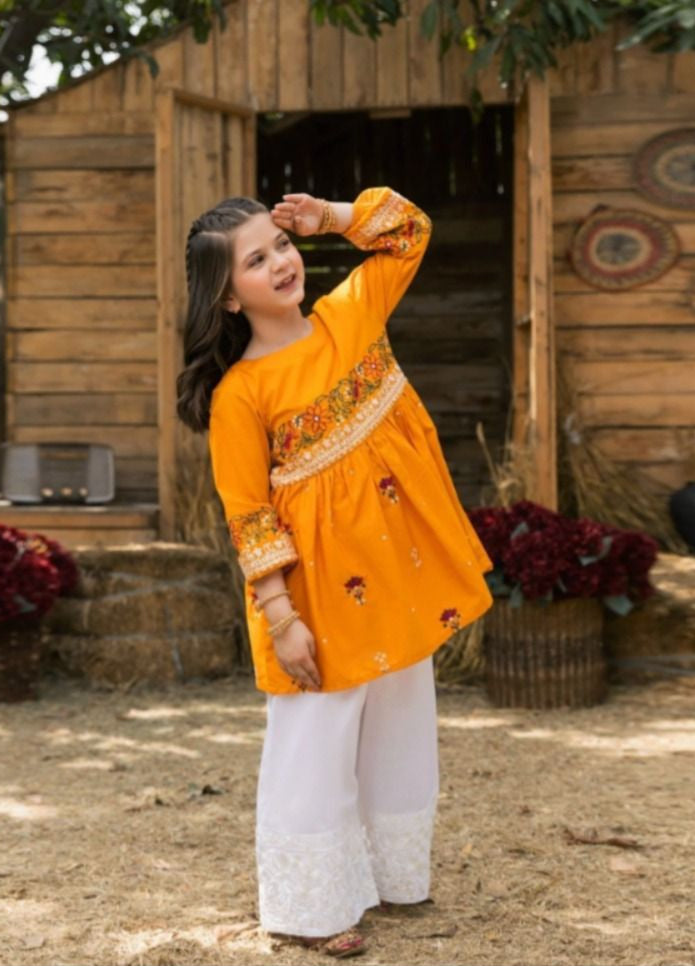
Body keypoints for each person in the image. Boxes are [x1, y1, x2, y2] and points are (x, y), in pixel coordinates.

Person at [176, 186, 494, 957]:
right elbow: (249, 515)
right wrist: (282, 619)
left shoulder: (351, 312)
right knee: (314, 740)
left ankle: (392, 878)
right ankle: (309, 909)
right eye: (256, 260)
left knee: (400, 725)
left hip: (397, 574)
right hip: (314, 598)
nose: (280, 263)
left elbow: (410, 231)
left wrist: (334, 216)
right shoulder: (241, 395)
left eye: (281, 245)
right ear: (227, 296)